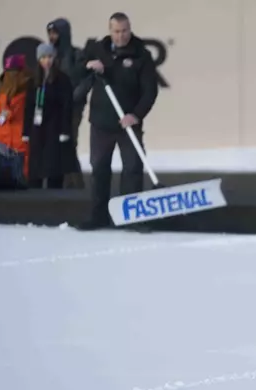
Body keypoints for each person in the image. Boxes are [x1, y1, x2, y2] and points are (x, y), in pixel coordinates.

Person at [74, 12, 159, 230]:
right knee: (99, 168)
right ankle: (98, 216)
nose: (121, 36)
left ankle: (131, 218)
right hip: (101, 123)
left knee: (132, 168)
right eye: (116, 32)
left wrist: (135, 115)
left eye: (124, 31)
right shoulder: (97, 49)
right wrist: (88, 66)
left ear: (130, 29)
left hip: (129, 123)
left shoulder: (142, 55)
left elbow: (150, 91)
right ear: (109, 31)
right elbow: (76, 70)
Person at [22, 43, 79, 188]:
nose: (47, 61)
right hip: (37, 127)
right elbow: (28, 106)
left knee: (54, 162)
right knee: (36, 161)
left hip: (55, 127)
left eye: (49, 57)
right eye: (43, 57)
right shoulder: (33, 81)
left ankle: (55, 193)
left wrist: (65, 130)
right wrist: (26, 131)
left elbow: (67, 106)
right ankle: (34, 188)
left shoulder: (62, 80)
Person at [46, 17, 85, 188]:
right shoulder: (50, 56)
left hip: (73, 108)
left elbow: (85, 81)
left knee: (69, 143)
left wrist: (72, 98)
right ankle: (63, 182)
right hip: (53, 108)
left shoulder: (76, 55)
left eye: (55, 33)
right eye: (50, 33)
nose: (52, 37)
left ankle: (74, 184)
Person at [0, 54, 33, 179]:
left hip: (20, 137)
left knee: (22, 168)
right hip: (2, 138)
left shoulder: (29, 91)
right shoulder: (2, 93)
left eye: (15, 71)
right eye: (9, 71)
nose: (12, 75)